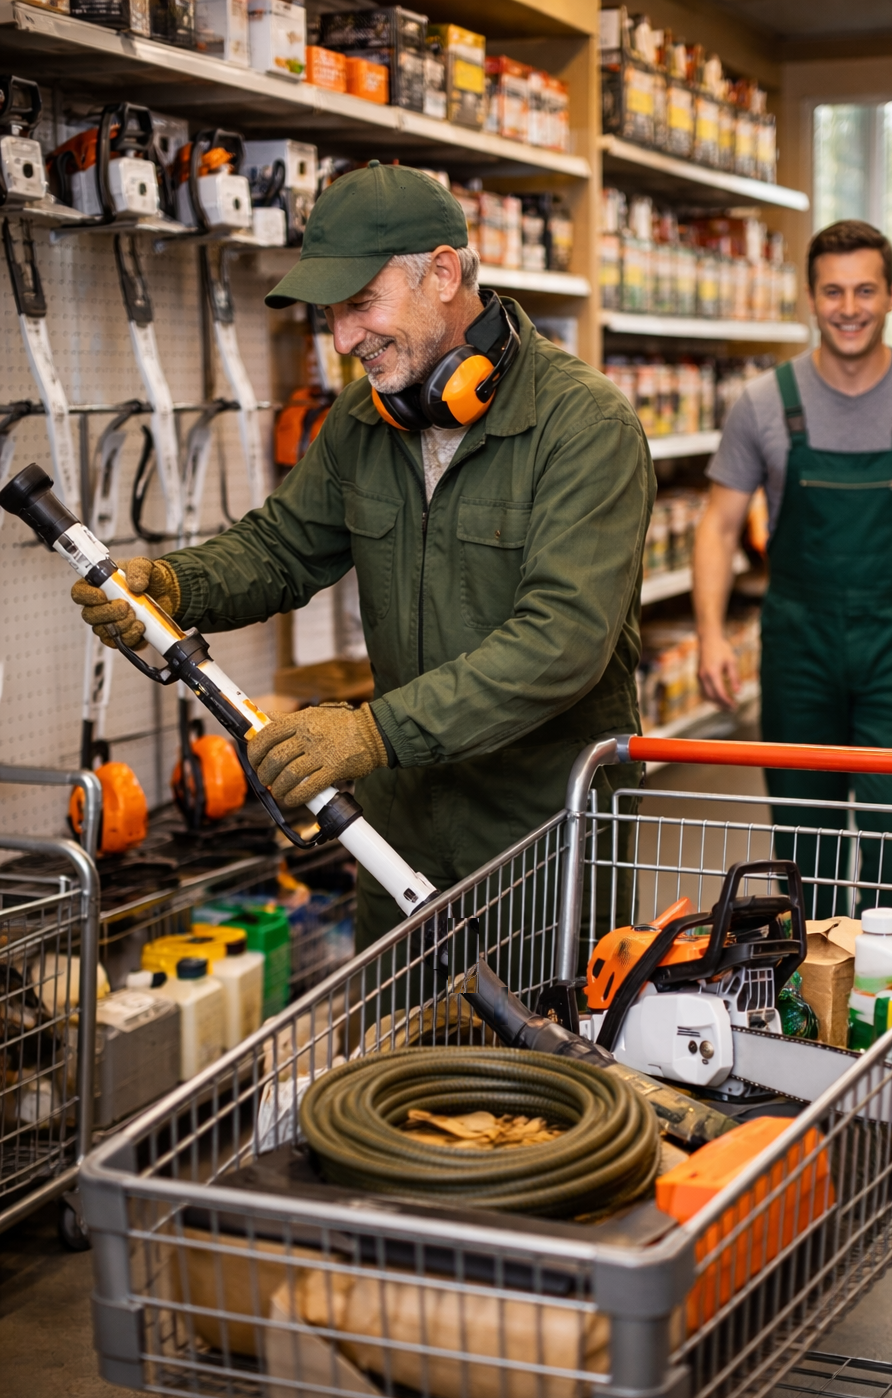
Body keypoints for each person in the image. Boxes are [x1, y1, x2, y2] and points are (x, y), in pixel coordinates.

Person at [71, 161, 653, 949]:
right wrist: (175, 584)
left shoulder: (583, 426)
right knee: (396, 1060)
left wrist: (371, 734)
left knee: (545, 1061)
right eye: (333, 315)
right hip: (397, 834)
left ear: (442, 273)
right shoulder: (364, 419)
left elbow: (561, 642)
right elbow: (281, 549)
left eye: (360, 305)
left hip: (545, 835)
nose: (344, 340)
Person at [693, 219, 892, 915]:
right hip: (798, 639)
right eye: (833, 291)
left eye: (865, 289)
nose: (848, 307)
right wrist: (712, 634)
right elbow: (717, 526)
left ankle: (887, 986)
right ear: (810, 296)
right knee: (804, 830)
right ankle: (815, 988)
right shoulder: (764, 402)